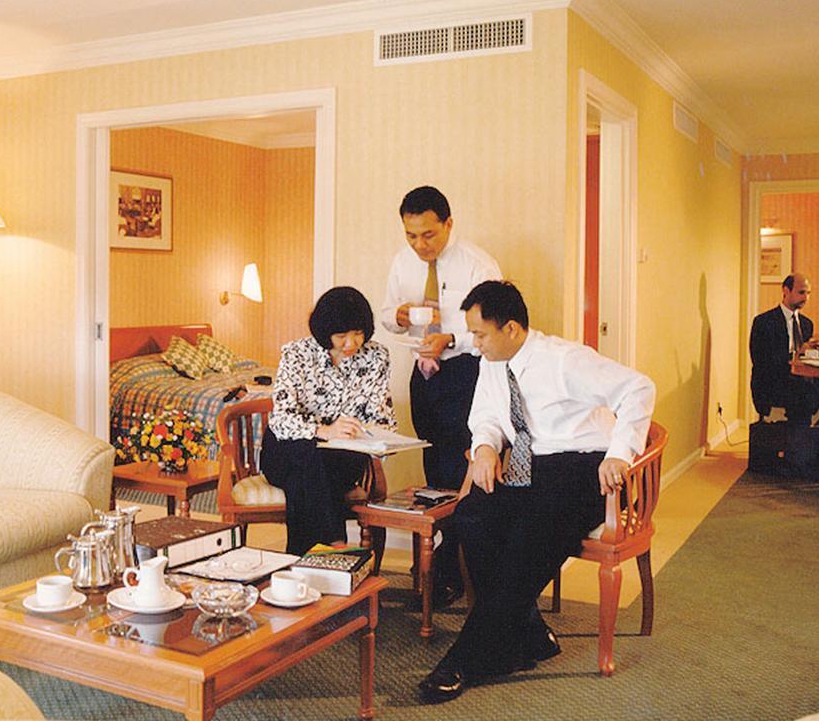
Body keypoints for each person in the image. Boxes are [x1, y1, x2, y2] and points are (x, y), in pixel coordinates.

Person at [419, 281, 655, 703]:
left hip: (585, 466)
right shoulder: (493, 361)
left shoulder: (564, 360)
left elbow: (639, 387)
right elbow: (486, 415)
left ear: (510, 328)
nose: (474, 344)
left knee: (527, 537)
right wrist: (486, 446)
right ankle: (527, 631)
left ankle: (467, 658)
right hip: (534, 466)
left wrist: (619, 454)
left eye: (480, 334)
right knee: (472, 516)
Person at [381, 185, 502, 607]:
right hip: (424, 375)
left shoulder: (478, 265)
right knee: (433, 468)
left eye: (428, 235)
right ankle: (435, 566)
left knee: (459, 470)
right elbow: (387, 316)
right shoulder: (403, 261)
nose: (419, 245)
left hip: (464, 372)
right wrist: (397, 317)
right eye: (411, 235)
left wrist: (450, 338)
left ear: (448, 224)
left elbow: (491, 328)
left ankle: (454, 571)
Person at [260, 286, 396, 555]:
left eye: (358, 333)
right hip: (286, 448)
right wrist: (324, 430)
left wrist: (371, 435)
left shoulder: (376, 357)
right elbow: (282, 418)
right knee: (309, 456)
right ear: (325, 332)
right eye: (341, 336)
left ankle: (304, 559)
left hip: (342, 453)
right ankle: (333, 545)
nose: (351, 343)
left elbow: (382, 418)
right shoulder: (297, 354)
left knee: (307, 474)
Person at [749, 272, 819, 477]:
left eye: (808, 293)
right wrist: (797, 352)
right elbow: (762, 361)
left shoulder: (806, 323)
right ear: (786, 291)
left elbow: (807, 360)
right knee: (808, 394)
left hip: (800, 380)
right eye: (801, 292)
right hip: (773, 383)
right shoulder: (764, 322)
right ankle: (797, 459)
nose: (806, 298)